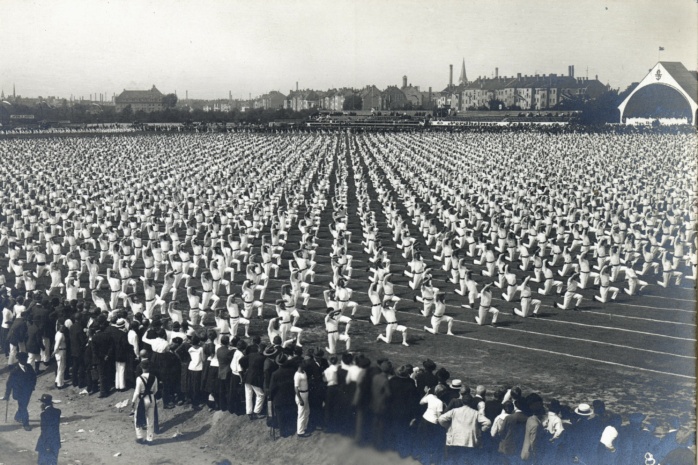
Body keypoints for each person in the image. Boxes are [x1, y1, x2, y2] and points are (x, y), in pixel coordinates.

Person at [437, 395, 492, 463]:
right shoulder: (475, 413)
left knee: (455, 460)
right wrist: (481, 430)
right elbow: (488, 422)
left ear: (462, 401)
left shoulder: (454, 411)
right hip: (470, 441)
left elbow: (441, 419)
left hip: (455, 439)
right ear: (471, 402)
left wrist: (448, 426)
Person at [1, 352, 37, 430]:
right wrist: (7, 395)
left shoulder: (29, 367)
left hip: (28, 391)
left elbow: (34, 377)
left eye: (26, 359)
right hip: (19, 392)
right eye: (24, 359)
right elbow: (9, 383)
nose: (25, 360)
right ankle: (25, 424)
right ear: (19, 360)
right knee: (23, 407)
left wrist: (32, 386)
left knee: (24, 405)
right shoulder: (14, 369)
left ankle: (17, 416)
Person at [131, 359, 159, 445]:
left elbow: (137, 392)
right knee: (150, 419)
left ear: (141, 367)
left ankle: (140, 437)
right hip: (151, 398)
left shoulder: (139, 378)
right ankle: (150, 439)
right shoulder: (154, 377)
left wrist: (133, 401)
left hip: (142, 399)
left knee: (137, 417)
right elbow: (155, 390)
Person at [35, 394, 61, 465]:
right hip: (56, 441)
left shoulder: (44, 415)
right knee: (53, 461)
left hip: (46, 442)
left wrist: (47, 445)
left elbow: (45, 430)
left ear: (43, 404)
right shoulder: (58, 412)